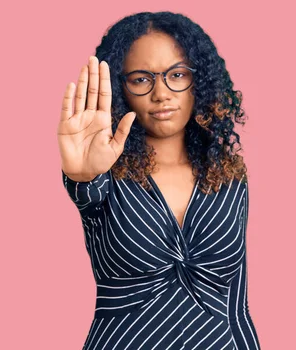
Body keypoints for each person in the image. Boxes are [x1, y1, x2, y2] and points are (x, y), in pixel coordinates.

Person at [57, 11, 261, 350]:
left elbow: (236, 302)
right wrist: (82, 174)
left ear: (200, 82)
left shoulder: (229, 175)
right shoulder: (102, 174)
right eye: (140, 79)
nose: (161, 93)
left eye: (177, 75)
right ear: (119, 89)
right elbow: (85, 190)